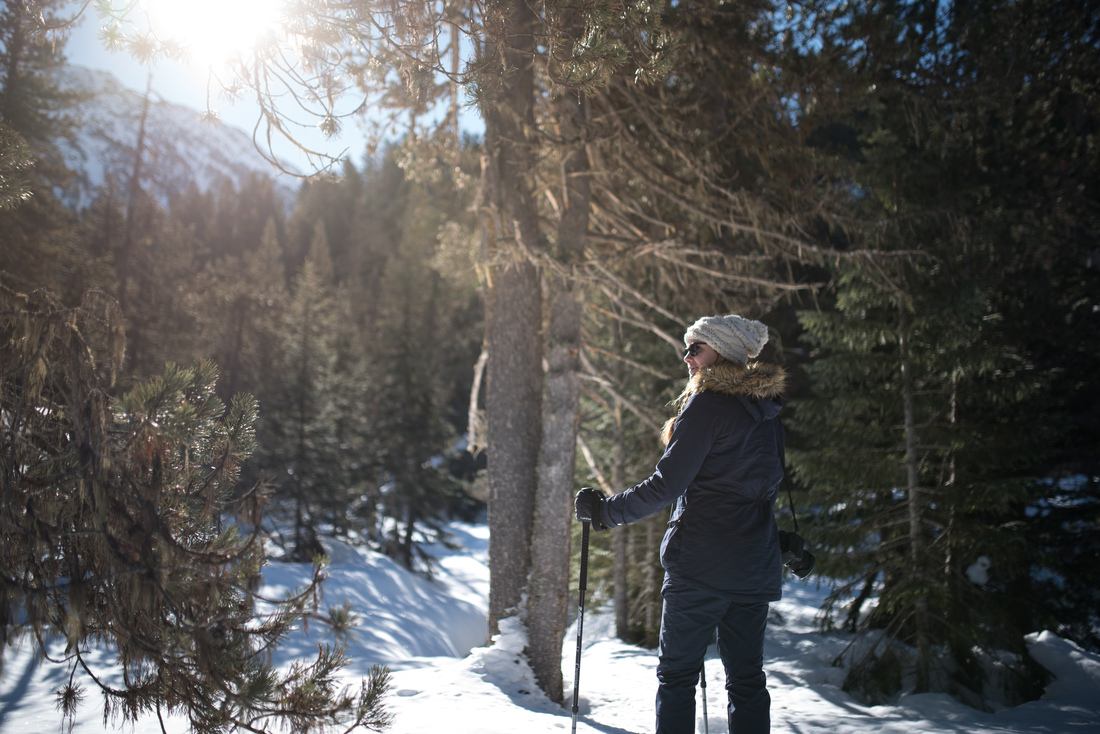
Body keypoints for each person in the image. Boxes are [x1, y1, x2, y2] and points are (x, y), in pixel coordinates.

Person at [575, 313, 786, 734]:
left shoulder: (706, 406)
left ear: (721, 353)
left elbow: (666, 485)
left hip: (699, 569)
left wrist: (604, 512)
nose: (686, 357)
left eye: (696, 348)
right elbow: (757, 491)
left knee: (677, 678)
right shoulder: (765, 410)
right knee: (747, 681)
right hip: (752, 568)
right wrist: (782, 543)